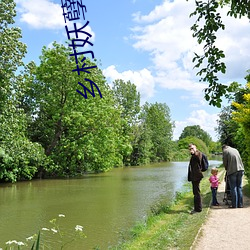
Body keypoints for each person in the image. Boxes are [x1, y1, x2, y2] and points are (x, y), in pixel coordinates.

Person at [188, 143, 204, 214]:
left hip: (196, 176)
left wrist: (194, 152)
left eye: (192, 148)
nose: (191, 150)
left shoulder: (198, 154)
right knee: (196, 192)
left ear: (195, 148)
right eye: (190, 149)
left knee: (196, 192)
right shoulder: (194, 155)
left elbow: (198, 158)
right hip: (195, 176)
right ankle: (197, 208)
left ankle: (198, 209)